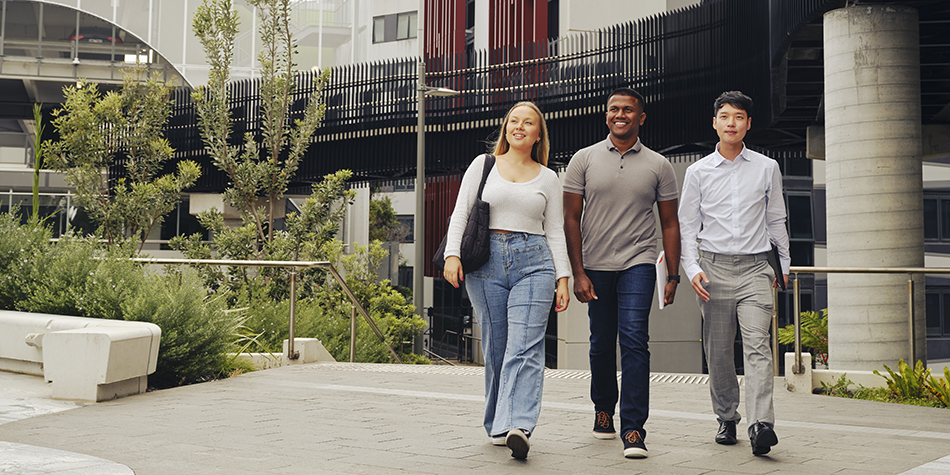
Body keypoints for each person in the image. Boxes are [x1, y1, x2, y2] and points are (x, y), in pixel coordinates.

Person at [442, 101, 570, 460]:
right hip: (485, 263)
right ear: (506, 129)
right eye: (513, 121)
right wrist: (453, 254)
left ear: (538, 132)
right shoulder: (483, 166)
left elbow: (555, 230)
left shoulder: (548, 176)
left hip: (535, 261)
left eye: (528, 122)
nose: (519, 127)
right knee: (497, 347)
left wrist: (563, 277)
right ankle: (498, 424)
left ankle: (520, 424)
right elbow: (461, 213)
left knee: (525, 346)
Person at [563, 87, 681, 459]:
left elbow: (670, 223)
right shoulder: (583, 159)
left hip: (639, 263)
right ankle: (603, 410)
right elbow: (569, 218)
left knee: (634, 340)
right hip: (595, 266)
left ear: (640, 117)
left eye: (628, 110)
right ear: (606, 115)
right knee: (600, 342)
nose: (620, 115)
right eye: (614, 109)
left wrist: (673, 274)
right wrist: (577, 272)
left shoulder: (659, 165)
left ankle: (633, 429)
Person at [678, 91, 790, 456]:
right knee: (720, 350)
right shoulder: (697, 172)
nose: (731, 123)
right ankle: (727, 417)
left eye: (738, 117)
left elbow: (776, 219)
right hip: (713, 268)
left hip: (757, 267)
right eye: (724, 116)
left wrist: (783, 266)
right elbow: (687, 226)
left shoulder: (766, 167)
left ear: (748, 123)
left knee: (759, 346)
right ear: (715, 122)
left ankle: (761, 424)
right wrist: (692, 268)